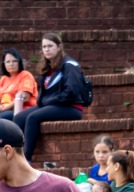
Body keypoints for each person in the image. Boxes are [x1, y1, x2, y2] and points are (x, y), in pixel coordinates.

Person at [17, 32, 90, 161]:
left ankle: (26, 158)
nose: (46, 49)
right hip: (53, 105)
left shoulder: (69, 65)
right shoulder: (49, 67)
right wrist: (43, 102)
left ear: (59, 47)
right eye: (44, 47)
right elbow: (44, 95)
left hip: (71, 108)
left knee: (33, 117)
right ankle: (15, 154)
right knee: (19, 118)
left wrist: (48, 102)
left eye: (50, 46)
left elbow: (71, 91)